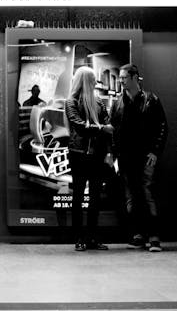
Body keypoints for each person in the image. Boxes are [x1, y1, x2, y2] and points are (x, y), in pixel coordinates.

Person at [110, 64, 168, 252]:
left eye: (124, 77)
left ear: (135, 77)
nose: (120, 81)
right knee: (131, 197)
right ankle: (138, 235)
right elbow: (113, 130)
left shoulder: (151, 100)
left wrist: (154, 151)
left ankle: (154, 237)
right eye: (120, 77)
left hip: (145, 156)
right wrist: (113, 153)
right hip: (125, 157)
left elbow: (162, 127)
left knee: (146, 193)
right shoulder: (118, 102)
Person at [65, 66, 114, 252]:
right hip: (78, 155)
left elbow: (109, 126)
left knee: (95, 198)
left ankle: (92, 238)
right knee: (78, 197)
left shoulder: (99, 102)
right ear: (86, 80)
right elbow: (79, 127)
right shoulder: (72, 101)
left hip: (96, 156)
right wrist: (101, 128)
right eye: (93, 79)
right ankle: (79, 238)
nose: (95, 82)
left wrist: (108, 151)